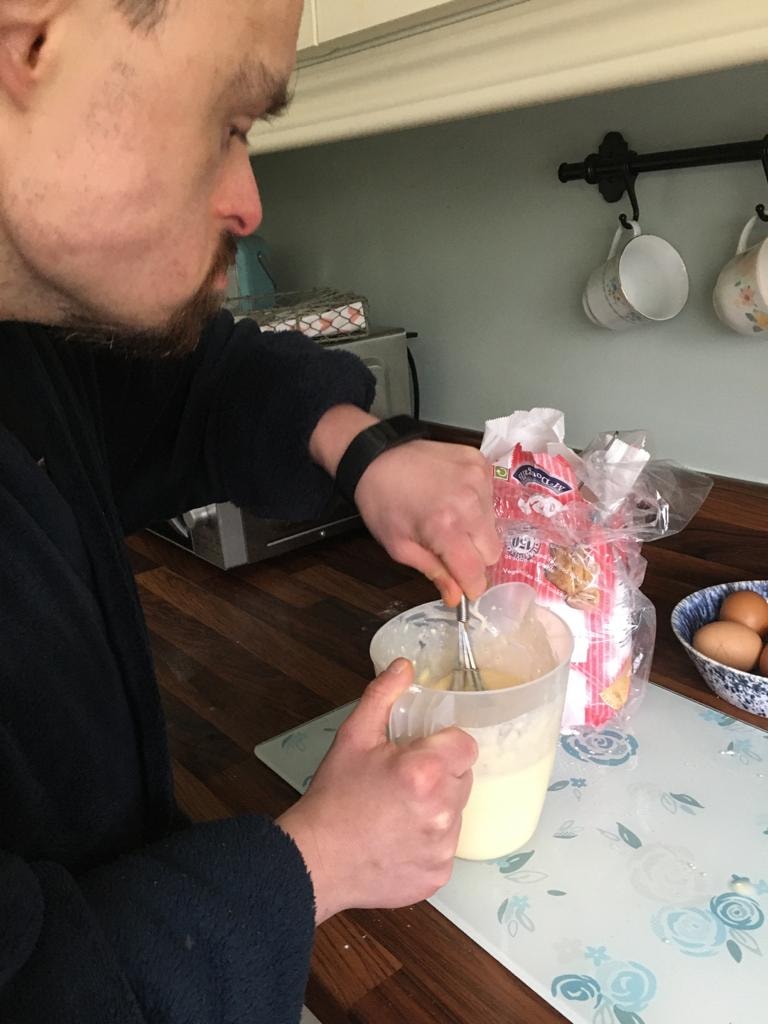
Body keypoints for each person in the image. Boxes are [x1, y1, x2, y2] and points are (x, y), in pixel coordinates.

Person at [0, 1, 501, 1021]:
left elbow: (201, 383)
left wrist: (361, 451)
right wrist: (319, 859)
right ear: (29, 40)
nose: (249, 202)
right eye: (231, 122)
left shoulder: (24, 341)